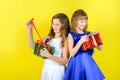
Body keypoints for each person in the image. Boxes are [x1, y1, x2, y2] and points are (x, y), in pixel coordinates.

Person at [26, 13, 70, 80]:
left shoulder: (65, 40)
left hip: (57, 72)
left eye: (57, 25)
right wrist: (30, 29)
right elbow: (32, 46)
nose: (54, 27)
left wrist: (49, 55)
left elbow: (65, 61)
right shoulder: (49, 37)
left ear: (64, 26)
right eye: (53, 24)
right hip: (47, 69)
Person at [64, 9, 105, 80]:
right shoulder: (71, 35)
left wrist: (97, 38)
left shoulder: (88, 34)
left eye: (85, 21)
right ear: (75, 21)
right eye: (82, 21)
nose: (84, 23)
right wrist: (80, 41)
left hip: (88, 64)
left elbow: (100, 48)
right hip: (76, 64)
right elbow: (72, 53)